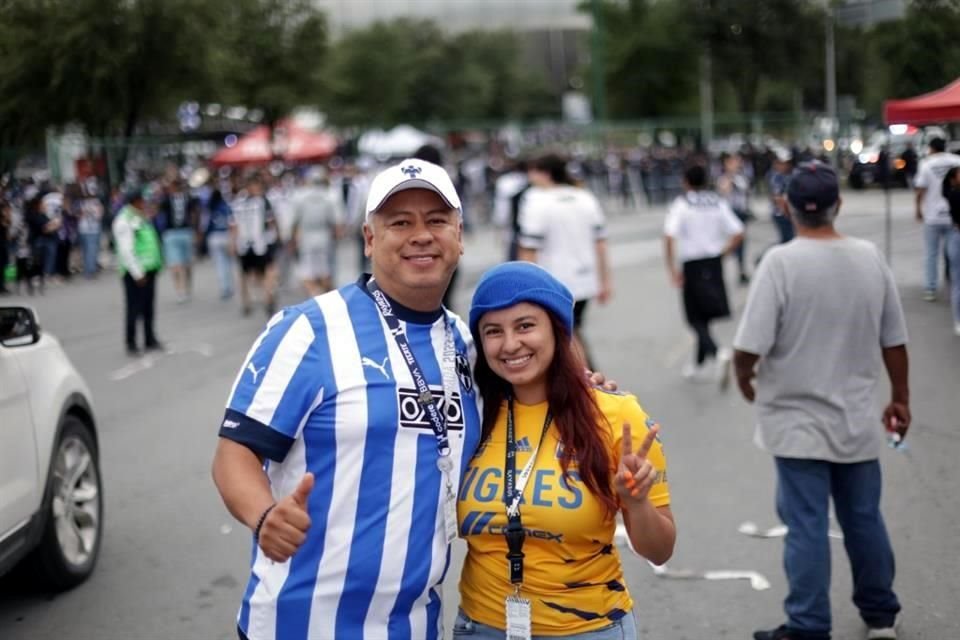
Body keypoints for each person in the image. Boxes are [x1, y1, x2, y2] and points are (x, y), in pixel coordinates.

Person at [211, 158, 480, 640]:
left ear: (459, 236)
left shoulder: (463, 343)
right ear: (369, 239)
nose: (421, 235)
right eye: (400, 222)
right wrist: (264, 515)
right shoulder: (308, 329)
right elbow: (236, 452)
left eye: (436, 221)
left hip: (417, 627)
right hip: (302, 625)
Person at [732, 162, 909, 640]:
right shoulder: (869, 257)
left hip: (795, 422)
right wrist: (901, 399)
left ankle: (809, 624)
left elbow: (749, 346)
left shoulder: (780, 263)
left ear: (785, 204)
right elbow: (894, 339)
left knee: (806, 526)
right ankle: (881, 618)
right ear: (839, 205)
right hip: (854, 419)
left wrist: (744, 378)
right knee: (863, 518)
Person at [455, 261, 674, 639]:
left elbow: (660, 551)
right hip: (480, 626)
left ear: (558, 330)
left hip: (587, 628)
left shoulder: (615, 415)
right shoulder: (470, 414)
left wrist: (637, 503)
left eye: (525, 326)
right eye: (493, 331)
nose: (510, 344)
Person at [518, 153, 612, 368]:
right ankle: (586, 382)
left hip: (553, 283)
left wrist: (522, 286)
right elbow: (601, 244)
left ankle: (589, 383)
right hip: (586, 281)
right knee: (569, 332)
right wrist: (605, 281)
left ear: (545, 173)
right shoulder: (585, 197)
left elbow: (529, 248)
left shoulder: (536, 200)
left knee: (567, 335)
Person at [663, 164, 744, 383]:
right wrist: (722, 253)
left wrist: (671, 268)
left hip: (693, 264)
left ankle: (718, 352)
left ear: (686, 181)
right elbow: (738, 231)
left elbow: (669, 235)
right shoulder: (716, 201)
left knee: (693, 317)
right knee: (705, 315)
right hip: (713, 261)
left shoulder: (682, 204)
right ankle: (698, 364)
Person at [112, 187, 164, 356]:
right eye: (141, 200)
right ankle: (131, 343)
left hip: (149, 268)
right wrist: (137, 272)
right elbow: (126, 250)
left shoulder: (140, 217)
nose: (144, 203)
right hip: (135, 272)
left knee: (148, 307)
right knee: (134, 308)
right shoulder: (124, 220)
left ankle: (150, 339)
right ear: (135, 201)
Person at [914, 137, 960, 301]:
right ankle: (955, 284)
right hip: (955, 215)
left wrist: (918, 209)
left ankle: (930, 288)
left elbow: (920, 189)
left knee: (931, 253)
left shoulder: (926, 164)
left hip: (932, 216)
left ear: (931, 148)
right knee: (955, 254)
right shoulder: (957, 161)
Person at [290, 168, 345, 297]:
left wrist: (291, 239)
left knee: (308, 272)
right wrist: (337, 238)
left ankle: (316, 294)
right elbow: (338, 222)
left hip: (306, 237)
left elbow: (293, 221)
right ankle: (324, 296)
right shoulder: (330, 196)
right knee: (325, 270)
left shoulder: (299, 196)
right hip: (324, 236)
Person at [230, 175, 279, 317]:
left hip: (251, 243)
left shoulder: (238, 201)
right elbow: (234, 225)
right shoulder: (260, 201)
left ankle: (263, 299)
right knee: (253, 274)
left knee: (260, 273)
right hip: (255, 243)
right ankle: (252, 301)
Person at [157, 178, 200, 303]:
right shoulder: (166, 200)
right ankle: (179, 290)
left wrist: (196, 230)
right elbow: (158, 211)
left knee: (187, 265)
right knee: (176, 265)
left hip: (186, 231)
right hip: (171, 233)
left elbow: (195, 213)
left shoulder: (188, 198)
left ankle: (187, 288)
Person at [716, 152, 752, 284]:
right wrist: (730, 175)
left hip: (741, 212)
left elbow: (746, 191)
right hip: (730, 213)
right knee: (731, 243)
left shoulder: (742, 177)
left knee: (741, 243)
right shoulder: (723, 178)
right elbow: (724, 190)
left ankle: (741, 270)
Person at [205, 188, 235, 300]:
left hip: (214, 237)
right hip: (226, 235)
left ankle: (224, 288)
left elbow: (205, 225)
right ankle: (230, 286)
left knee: (220, 264)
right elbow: (232, 222)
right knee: (229, 264)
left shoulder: (210, 208)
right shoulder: (226, 207)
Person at [942, 166, 960, 336]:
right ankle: (958, 319)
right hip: (956, 236)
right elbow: (944, 188)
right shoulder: (953, 194)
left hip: (955, 236)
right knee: (957, 281)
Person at [768, 151, 794, 244]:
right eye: (781, 163)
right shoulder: (775, 176)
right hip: (780, 213)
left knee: (789, 238)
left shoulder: (789, 175)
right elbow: (776, 196)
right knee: (787, 239)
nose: (784, 166)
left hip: (789, 212)